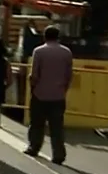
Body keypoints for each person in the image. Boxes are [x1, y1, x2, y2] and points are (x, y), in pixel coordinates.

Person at [24, 25, 72, 165]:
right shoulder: (66, 52)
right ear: (58, 37)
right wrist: (64, 90)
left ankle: (34, 147)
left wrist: (32, 87)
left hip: (40, 94)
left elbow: (34, 74)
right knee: (57, 126)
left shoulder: (39, 51)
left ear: (44, 36)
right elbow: (69, 75)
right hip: (58, 95)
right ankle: (58, 155)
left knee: (37, 124)